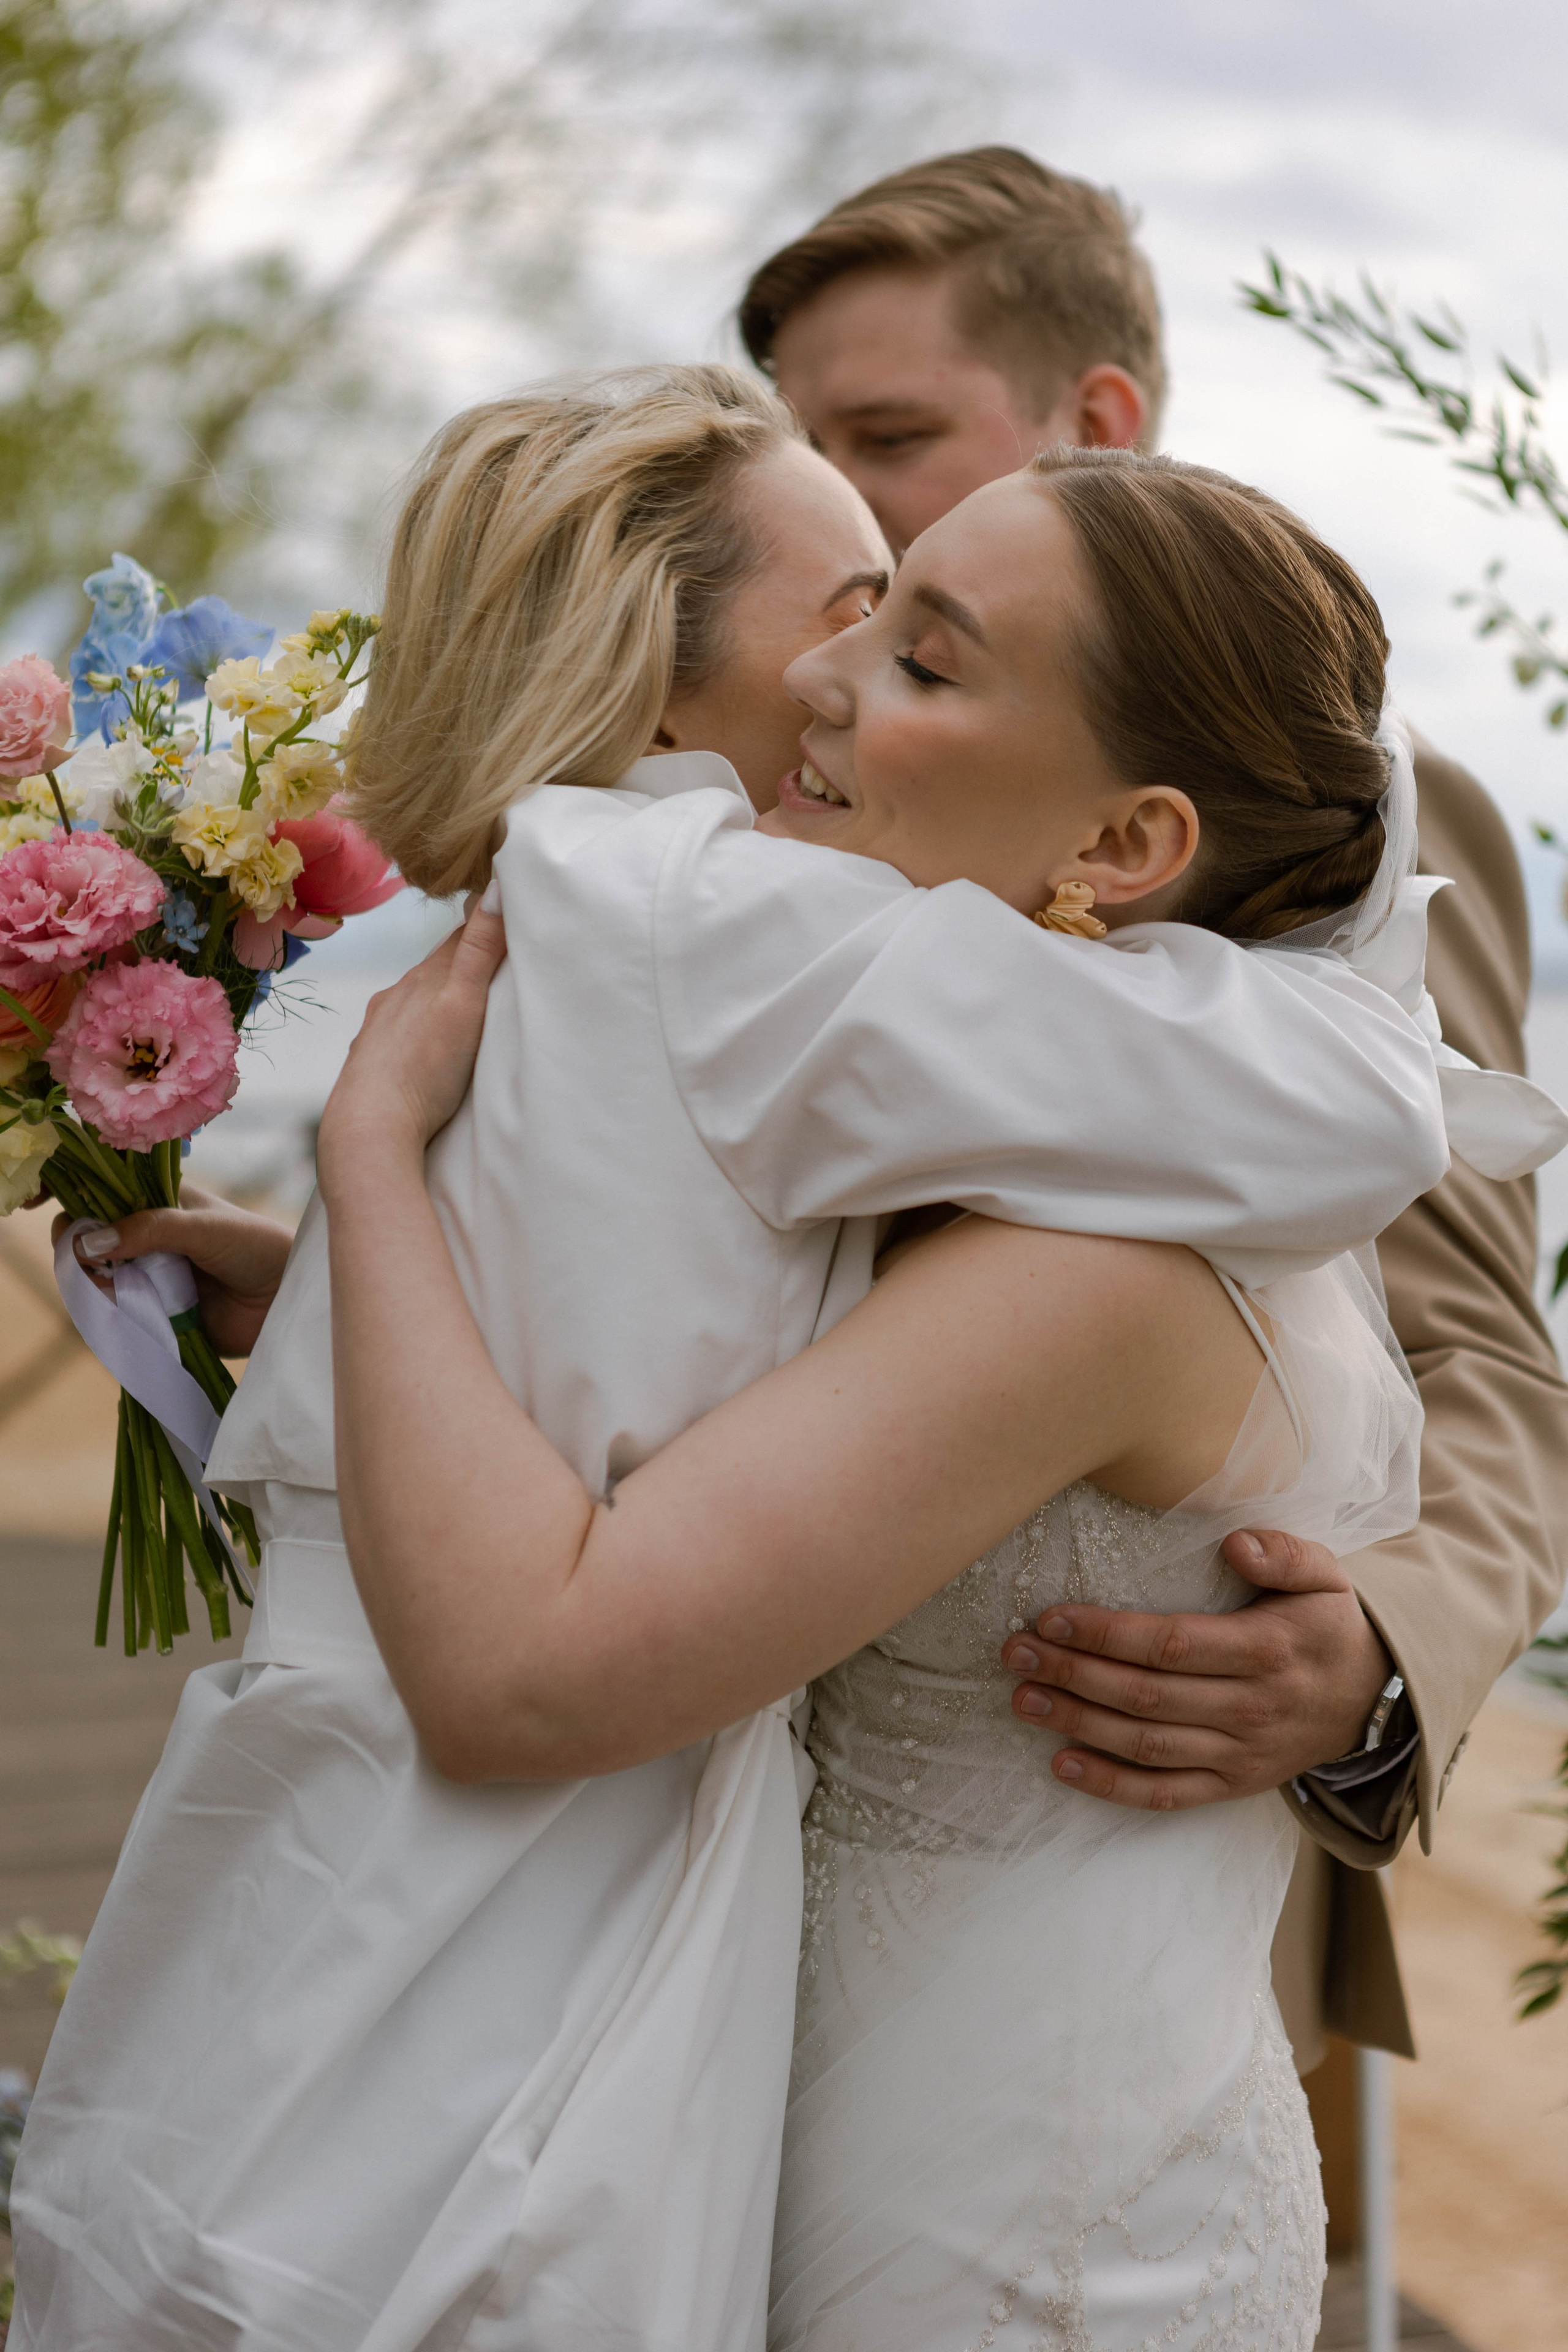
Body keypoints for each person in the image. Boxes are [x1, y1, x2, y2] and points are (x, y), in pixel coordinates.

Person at [11, 382, 1466, 2351]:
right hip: (604, 1981)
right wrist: (373, 1214)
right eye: (846, 609)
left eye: (912, 633)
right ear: (664, 686)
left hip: (970, 2153)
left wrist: (377, 1220)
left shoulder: (672, 950)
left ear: (1132, 835)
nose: (847, 682)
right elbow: (1360, 1103)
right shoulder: (726, 920)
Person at [739, 142, 1568, 2065]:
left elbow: (1481, 1354)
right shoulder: (797, 763)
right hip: (715, 1834)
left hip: (1090, 1854)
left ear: (1094, 420)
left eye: (884, 433)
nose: (828, 508)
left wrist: (1379, 1645)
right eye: (796, 448)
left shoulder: (1358, 818)